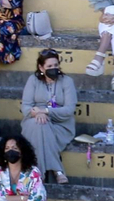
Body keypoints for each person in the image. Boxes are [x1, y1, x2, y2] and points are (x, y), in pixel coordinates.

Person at [20, 49, 74, 185]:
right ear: (41, 68)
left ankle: (38, 174)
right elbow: (25, 107)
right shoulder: (33, 80)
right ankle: (58, 170)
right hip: (34, 121)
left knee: (42, 126)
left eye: (56, 65)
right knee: (40, 124)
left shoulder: (67, 81)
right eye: (49, 66)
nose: (53, 69)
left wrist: (45, 111)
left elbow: (69, 109)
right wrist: (36, 113)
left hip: (61, 124)